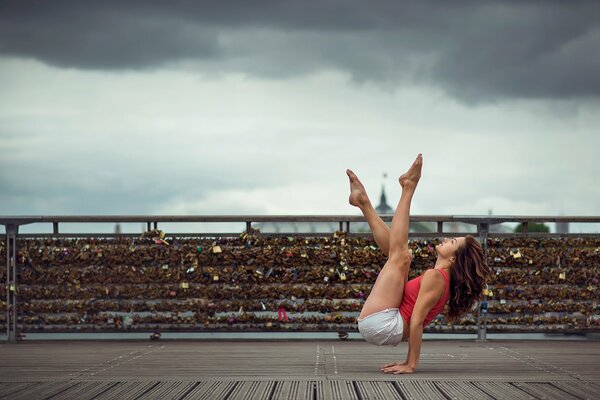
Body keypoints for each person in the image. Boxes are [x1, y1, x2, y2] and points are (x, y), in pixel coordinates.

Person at [346, 153, 490, 374]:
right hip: (384, 324)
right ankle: (364, 202)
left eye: (452, 241)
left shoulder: (436, 278)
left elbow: (417, 321)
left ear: (453, 259)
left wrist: (410, 364)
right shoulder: (438, 278)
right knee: (402, 255)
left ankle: (408, 188)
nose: (445, 239)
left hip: (382, 324)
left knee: (401, 255)